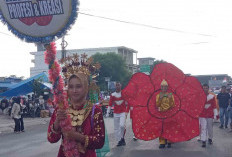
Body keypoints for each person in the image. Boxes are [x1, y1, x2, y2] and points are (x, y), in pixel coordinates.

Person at [47, 73, 105, 157]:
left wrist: (77, 136)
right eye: (71, 87)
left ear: (85, 88)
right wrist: (57, 122)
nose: (74, 90)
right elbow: (51, 139)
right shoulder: (61, 110)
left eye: (78, 86)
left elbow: (100, 142)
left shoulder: (95, 111)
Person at [106, 82, 129, 147]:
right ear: (115, 86)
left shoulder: (124, 93)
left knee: (122, 126)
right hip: (116, 113)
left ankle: (121, 138)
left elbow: (128, 100)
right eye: (116, 85)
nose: (118, 86)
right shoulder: (112, 95)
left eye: (119, 85)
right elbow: (110, 104)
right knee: (116, 128)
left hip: (123, 112)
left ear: (121, 86)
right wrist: (108, 112)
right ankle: (120, 140)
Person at [156, 79, 175, 148]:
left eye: (165, 86)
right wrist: (160, 99)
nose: (164, 88)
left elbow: (173, 105)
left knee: (169, 127)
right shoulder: (158, 95)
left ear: (167, 87)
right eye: (163, 86)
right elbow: (157, 105)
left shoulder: (170, 94)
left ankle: (169, 141)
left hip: (169, 113)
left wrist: (170, 99)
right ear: (161, 87)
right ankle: (162, 142)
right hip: (161, 113)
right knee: (161, 128)